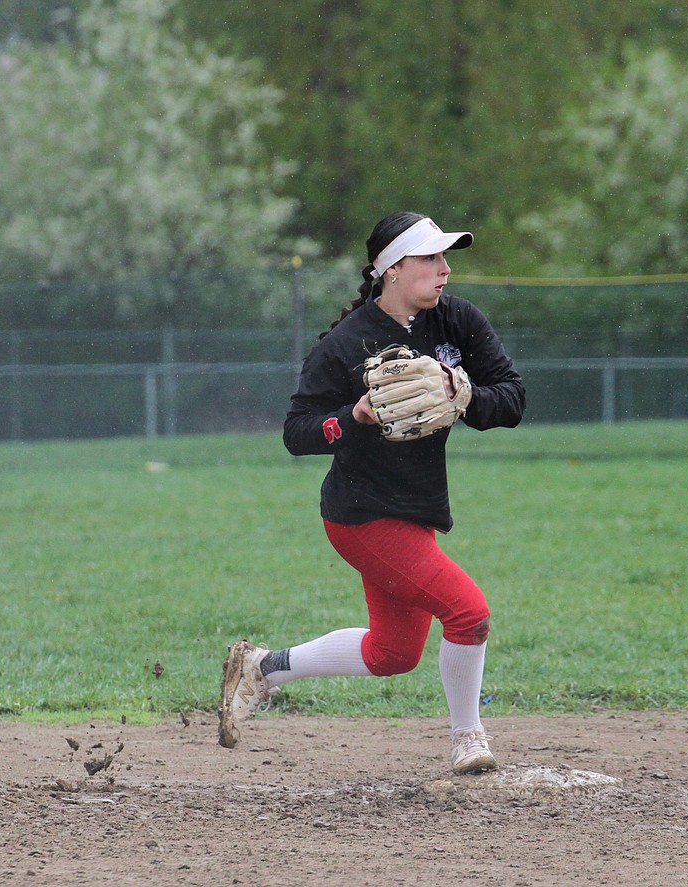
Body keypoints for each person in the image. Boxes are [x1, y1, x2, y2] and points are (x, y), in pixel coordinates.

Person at [218, 211, 526, 775]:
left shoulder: (457, 322)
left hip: (417, 509)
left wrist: (466, 396)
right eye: (430, 259)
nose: (445, 269)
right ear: (392, 270)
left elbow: (512, 399)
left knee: (393, 655)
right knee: (469, 614)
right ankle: (468, 738)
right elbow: (297, 432)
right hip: (361, 516)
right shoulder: (346, 344)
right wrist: (353, 416)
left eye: (444, 258)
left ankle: (264, 668)